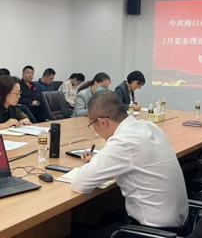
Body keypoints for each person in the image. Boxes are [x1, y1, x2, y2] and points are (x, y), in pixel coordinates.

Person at [71, 91, 188, 235]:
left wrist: (94, 164)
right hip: (179, 226)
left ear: (102, 122)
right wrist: (99, 161)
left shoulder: (123, 141)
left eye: (91, 125)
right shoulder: (149, 127)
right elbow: (133, 160)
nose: (94, 131)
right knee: (105, 217)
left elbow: (79, 184)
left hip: (152, 232)